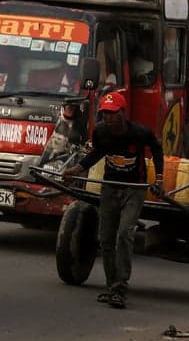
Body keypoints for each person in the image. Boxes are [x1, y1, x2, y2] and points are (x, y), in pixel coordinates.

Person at [61, 91, 163, 309]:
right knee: (106, 238)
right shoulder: (101, 133)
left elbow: (156, 148)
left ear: (123, 113)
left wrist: (160, 179)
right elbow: (98, 153)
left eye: (112, 113)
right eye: (105, 113)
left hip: (134, 189)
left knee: (125, 233)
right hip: (110, 188)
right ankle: (112, 287)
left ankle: (120, 287)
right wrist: (78, 168)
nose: (108, 118)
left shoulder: (139, 133)